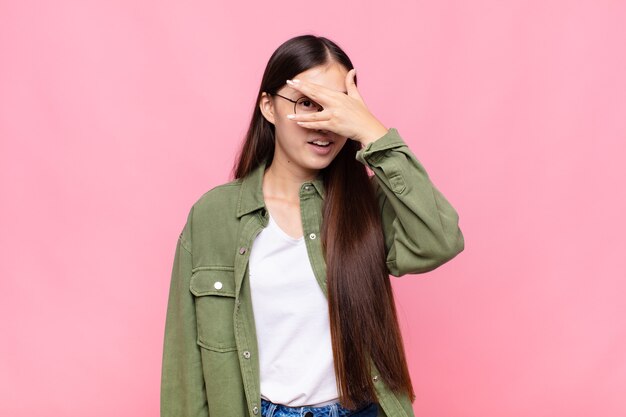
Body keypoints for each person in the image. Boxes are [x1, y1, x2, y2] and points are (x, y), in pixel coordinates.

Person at [160, 34, 465, 417]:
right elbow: (184, 369)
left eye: (337, 107)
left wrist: (373, 132)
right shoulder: (213, 216)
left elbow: (441, 239)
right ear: (269, 107)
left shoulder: (367, 204)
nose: (324, 125)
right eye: (307, 103)